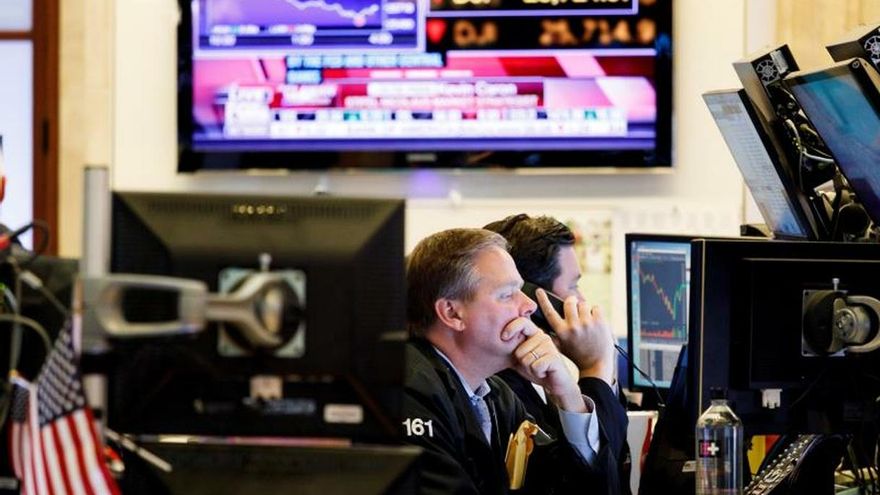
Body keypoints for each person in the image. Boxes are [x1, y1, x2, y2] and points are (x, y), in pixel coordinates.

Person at [403, 228, 623, 495]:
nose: (529, 305)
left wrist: (568, 396)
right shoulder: (409, 392)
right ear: (452, 313)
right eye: (507, 294)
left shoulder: (496, 396)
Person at [484, 214, 631, 495]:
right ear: (534, 299)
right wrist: (595, 368)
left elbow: (617, 467)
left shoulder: (540, 374)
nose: (582, 300)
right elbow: (598, 484)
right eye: (574, 285)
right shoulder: (498, 386)